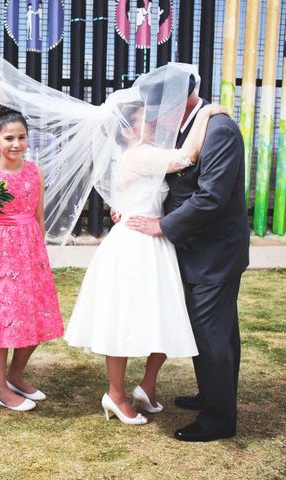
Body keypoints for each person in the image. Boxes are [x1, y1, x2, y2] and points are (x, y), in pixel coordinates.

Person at [65, 88, 224, 425]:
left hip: (155, 242)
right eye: (145, 120)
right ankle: (116, 394)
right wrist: (207, 114)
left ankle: (147, 387)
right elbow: (185, 157)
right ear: (126, 130)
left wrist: (119, 208)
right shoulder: (137, 155)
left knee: (165, 316)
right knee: (124, 318)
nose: (153, 122)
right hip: (133, 246)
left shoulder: (148, 153)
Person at [127, 74, 249, 441]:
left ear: (181, 102)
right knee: (221, 331)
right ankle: (214, 395)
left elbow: (210, 196)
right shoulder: (190, 128)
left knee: (210, 332)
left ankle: (218, 420)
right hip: (199, 248)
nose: (152, 118)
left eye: (157, 110)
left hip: (216, 252)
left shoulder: (219, 130)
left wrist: (162, 225)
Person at [0, 106, 63, 412]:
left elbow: (38, 215)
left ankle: (16, 375)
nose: (16, 143)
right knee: (2, 319)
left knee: (34, 316)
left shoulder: (35, 171)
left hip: (29, 249)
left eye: (21, 137)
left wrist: (40, 252)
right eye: (9, 138)